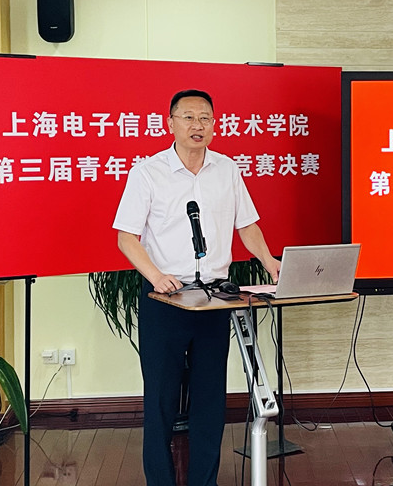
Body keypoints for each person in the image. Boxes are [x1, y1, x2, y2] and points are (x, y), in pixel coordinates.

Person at [113, 89, 281, 486]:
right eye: (188, 117)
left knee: (210, 398)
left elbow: (247, 225)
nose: (197, 125)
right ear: (170, 123)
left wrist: (268, 260)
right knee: (161, 399)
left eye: (205, 118)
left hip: (214, 299)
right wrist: (156, 276)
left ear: (214, 124)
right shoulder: (148, 172)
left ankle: (205, 481)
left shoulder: (227, 170)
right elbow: (126, 237)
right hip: (166, 299)